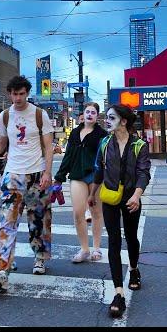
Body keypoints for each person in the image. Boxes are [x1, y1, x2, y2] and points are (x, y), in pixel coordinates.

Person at [0, 75, 55, 291]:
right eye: (14, 94)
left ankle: (40, 258)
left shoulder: (40, 115)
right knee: (7, 223)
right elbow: (2, 142)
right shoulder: (5, 116)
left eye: (21, 94)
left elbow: (49, 146)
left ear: (27, 93)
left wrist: (47, 172)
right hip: (13, 175)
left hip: (36, 174)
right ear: (9, 94)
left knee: (39, 221)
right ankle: (2, 269)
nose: (18, 98)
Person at [88, 104, 151, 318]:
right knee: (114, 241)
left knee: (131, 238)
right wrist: (92, 193)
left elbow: (144, 172)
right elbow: (99, 169)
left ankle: (134, 269)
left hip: (131, 198)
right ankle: (118, 293)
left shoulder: (139, 145)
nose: (107, 121)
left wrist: (137, 195)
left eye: (111, 117)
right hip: (110, 199)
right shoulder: (105, 143)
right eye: (106, 117)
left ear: (123, 121)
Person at [54, 102, 108, 263]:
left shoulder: (102, 134)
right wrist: (59, 176)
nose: (90, 114)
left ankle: (96, 248)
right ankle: (84, 249)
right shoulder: (75, 133)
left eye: (93, 112)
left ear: (97, 116)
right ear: (83, 115)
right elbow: (68, 155)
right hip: (77, 175)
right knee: (78, 213)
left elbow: (107, 158)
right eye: (87, 112)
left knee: (96, 212)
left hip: (96, 176)